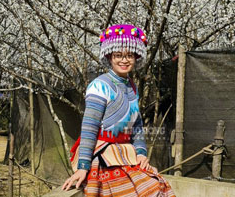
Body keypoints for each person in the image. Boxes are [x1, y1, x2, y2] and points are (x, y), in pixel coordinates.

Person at [62, 24, 175, 196]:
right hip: (102, 154)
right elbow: (89, 127)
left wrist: (141, 153)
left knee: (157, 187)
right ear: (109, 57)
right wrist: (82, 167)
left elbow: (135, 125)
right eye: (118, 56)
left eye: (129, 55)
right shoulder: (99, 86)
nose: (124, 60)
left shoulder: (132, 87)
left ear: (136, 57)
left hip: (125, 152)